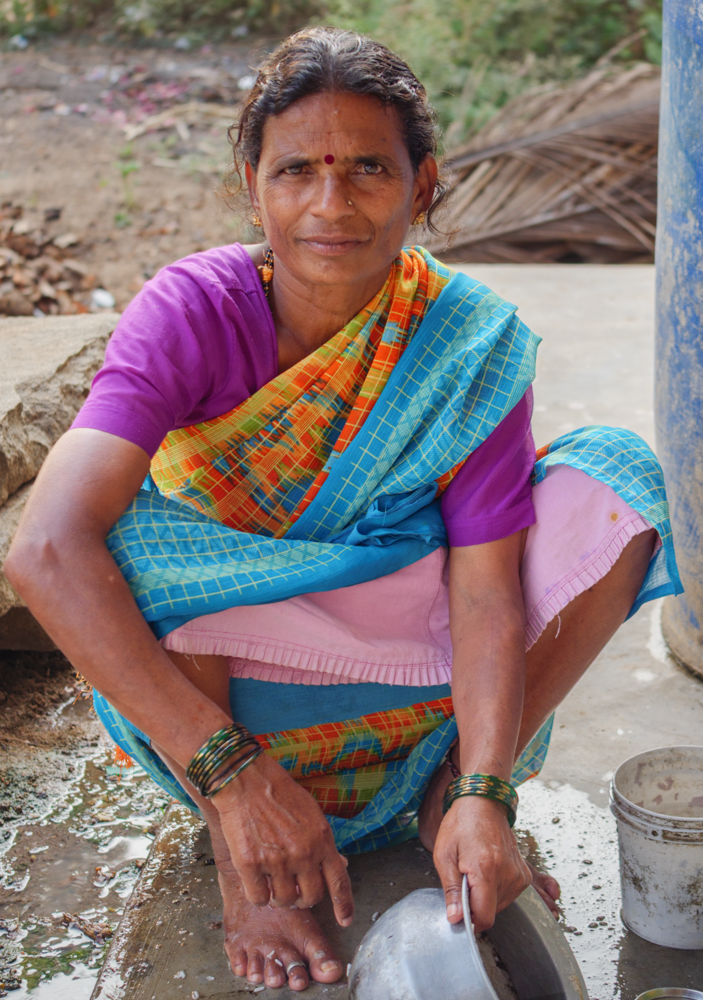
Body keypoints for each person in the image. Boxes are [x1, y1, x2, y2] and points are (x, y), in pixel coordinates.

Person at [4, 27, 680, 993]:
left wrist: (489, 787)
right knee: (116, 531)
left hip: (413, 668)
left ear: (425, 185)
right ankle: (247, 851)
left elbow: (485, 591)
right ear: (252, 185)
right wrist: (233, 779)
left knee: (616, 478)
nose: (332, 204)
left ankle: (449, 798)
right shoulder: (191, 311)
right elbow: (43, 553)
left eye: (369, 167)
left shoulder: (464, 341)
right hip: (233, 689)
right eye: (295, 172)